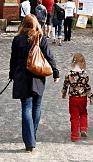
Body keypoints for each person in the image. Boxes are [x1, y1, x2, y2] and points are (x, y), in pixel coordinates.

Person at [9, 14, 59, 152]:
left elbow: (13, 59)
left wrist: (11, 75)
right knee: (37, 106)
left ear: (23, 24)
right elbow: (49, 56)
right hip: (37, 75)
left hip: (21, 76)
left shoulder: (17, 40)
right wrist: (56, 72)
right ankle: (32, 135)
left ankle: (29, 141)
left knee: (26, 107)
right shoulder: (40, 38)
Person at [61, 53, 93, 141]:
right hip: (82, 97)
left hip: (73, 98)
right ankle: (83, 128)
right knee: (83, 112)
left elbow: (65, 85)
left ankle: (74, 135)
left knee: (74, 116)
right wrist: (90, 97)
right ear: (83, 63)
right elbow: (87, 86)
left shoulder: (69, 74)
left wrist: (64, 93)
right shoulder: (85, 74)